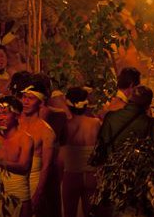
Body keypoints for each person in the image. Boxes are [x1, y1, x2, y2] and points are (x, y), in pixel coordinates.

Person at [94, 86, 154, 164]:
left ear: (130, 98)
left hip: (112, 169)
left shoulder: (111, 117)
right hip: (139, 171)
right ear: (148, 105)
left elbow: (102, 143)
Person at [60, 87, 101, 217]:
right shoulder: (95, 123)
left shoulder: (66, 124)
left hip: (71, 173)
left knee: (69, 214)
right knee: (91, 214)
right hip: (91, 174)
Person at [17, 81, 56, 214]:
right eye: (24, 97)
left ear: (40, 103)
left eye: (31, 98)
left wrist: (38, 193)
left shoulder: (46, 131)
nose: (26, 102)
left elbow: (47, 165)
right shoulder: (13, 123)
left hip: (31, 181)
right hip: (9, 178)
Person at [0, 96, 35, 217]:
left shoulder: (26, 139)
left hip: (19, 196)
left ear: (16, 116)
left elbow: (24, 167)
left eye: (5, 113)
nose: (1, 117)